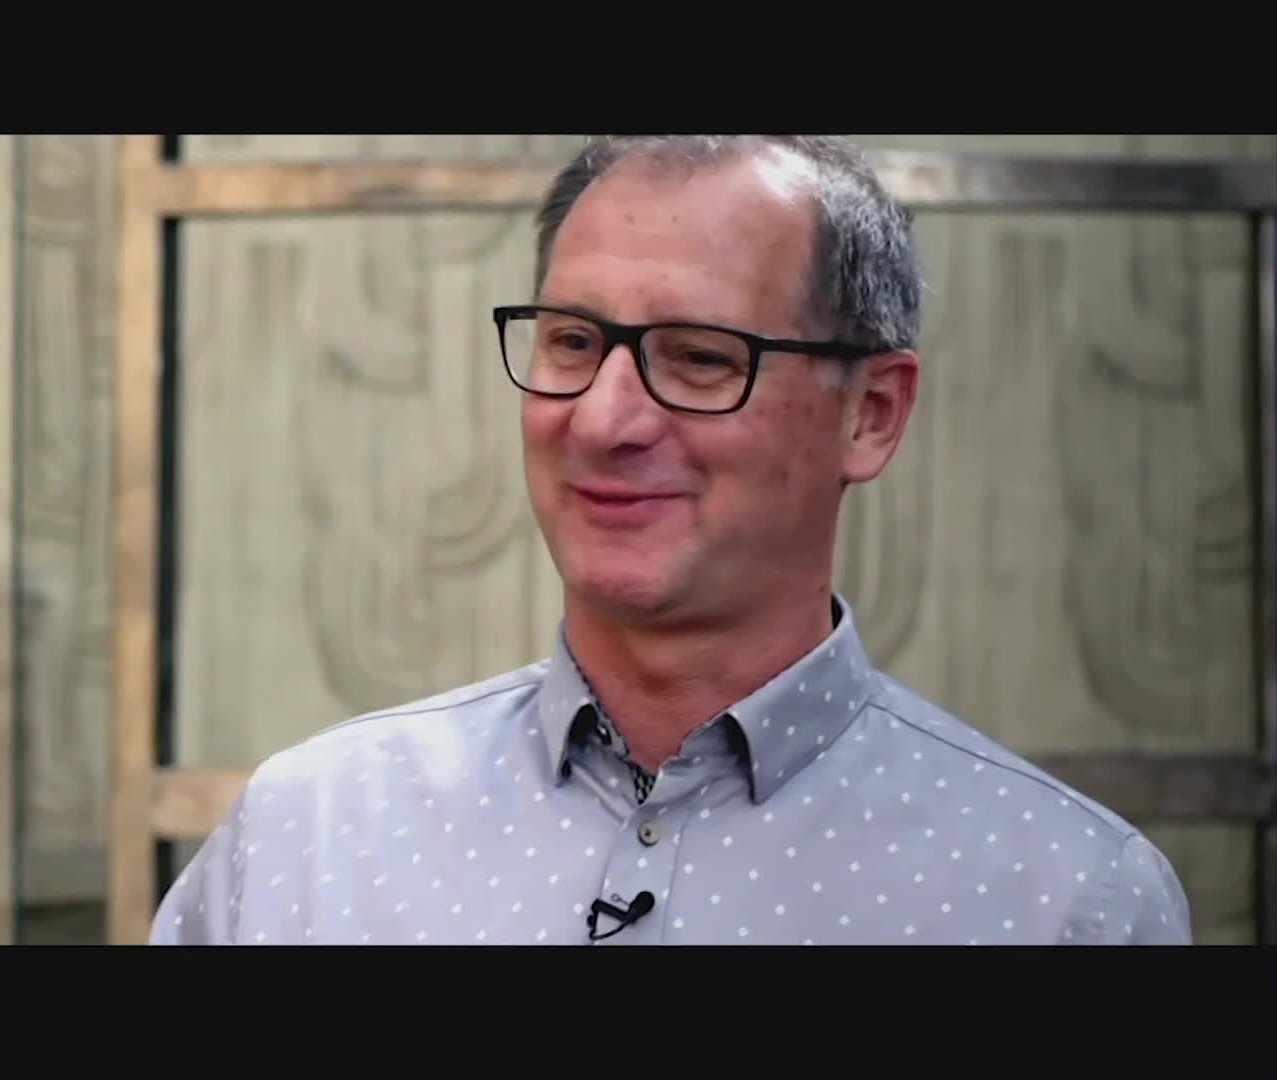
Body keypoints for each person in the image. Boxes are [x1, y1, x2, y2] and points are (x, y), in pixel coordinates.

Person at [149, 135, 1193, 945]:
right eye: (571, 343)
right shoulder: (310, 836)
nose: (603, 419)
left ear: (872, 412)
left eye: (698, 358)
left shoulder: (1061, 897)